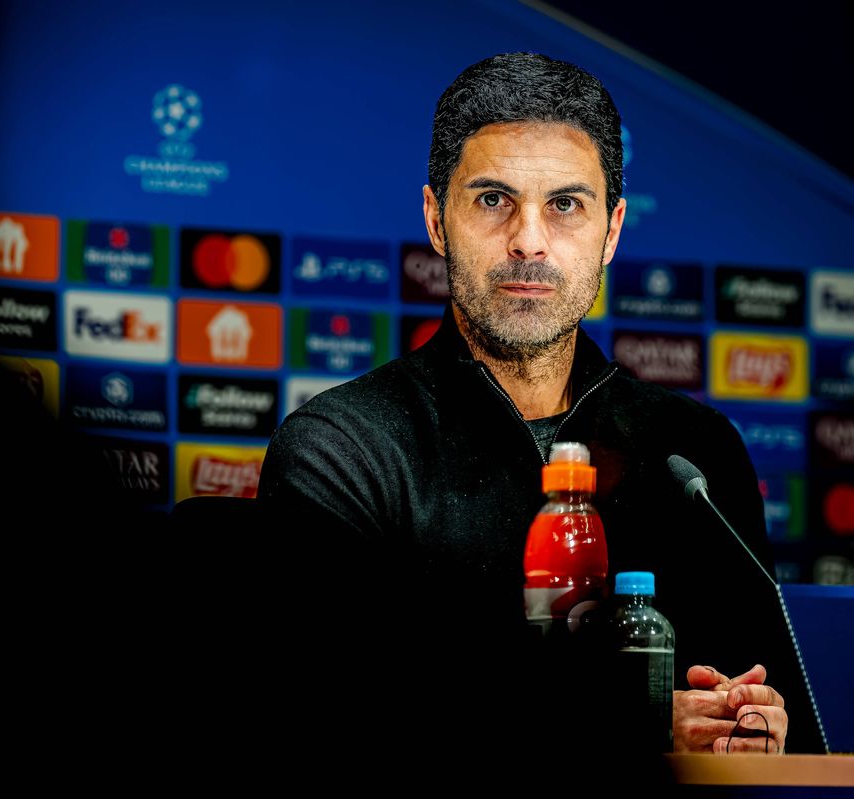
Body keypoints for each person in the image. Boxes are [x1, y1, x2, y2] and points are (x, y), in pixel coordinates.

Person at [256, 52, 826, 759]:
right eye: (493, 199)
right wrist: (627, 728)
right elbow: (331, 722)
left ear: (612, 230)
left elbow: (777, 712)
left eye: (565, 204)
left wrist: (754, 724)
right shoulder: (343, 449)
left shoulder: (695, 454)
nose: (529, 239)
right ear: (437, 219)